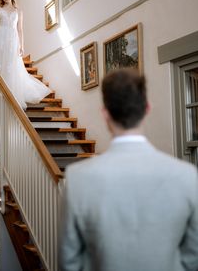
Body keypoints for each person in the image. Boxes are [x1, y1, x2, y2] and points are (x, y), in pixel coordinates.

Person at [59, 68, 198, 271]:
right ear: (147, 108)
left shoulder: (77, 178)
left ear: (105, 113)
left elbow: (69, 261)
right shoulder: (187, 175)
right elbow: (193, 255)